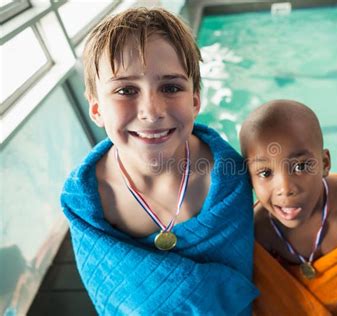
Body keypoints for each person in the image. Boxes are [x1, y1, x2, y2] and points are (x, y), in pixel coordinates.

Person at [61, 8, 258, 315]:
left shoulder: (227, 179)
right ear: (97, 109)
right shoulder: (87, 201)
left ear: (195, 101)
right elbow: (111, 298)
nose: (151, 111)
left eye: (171, 87)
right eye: (126, 90)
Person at [239, 100, 337, 315]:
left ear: (325, 163)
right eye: (265, 173)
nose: (285, 188)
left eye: (300, 166)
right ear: (249, 178)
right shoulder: (255, 234)